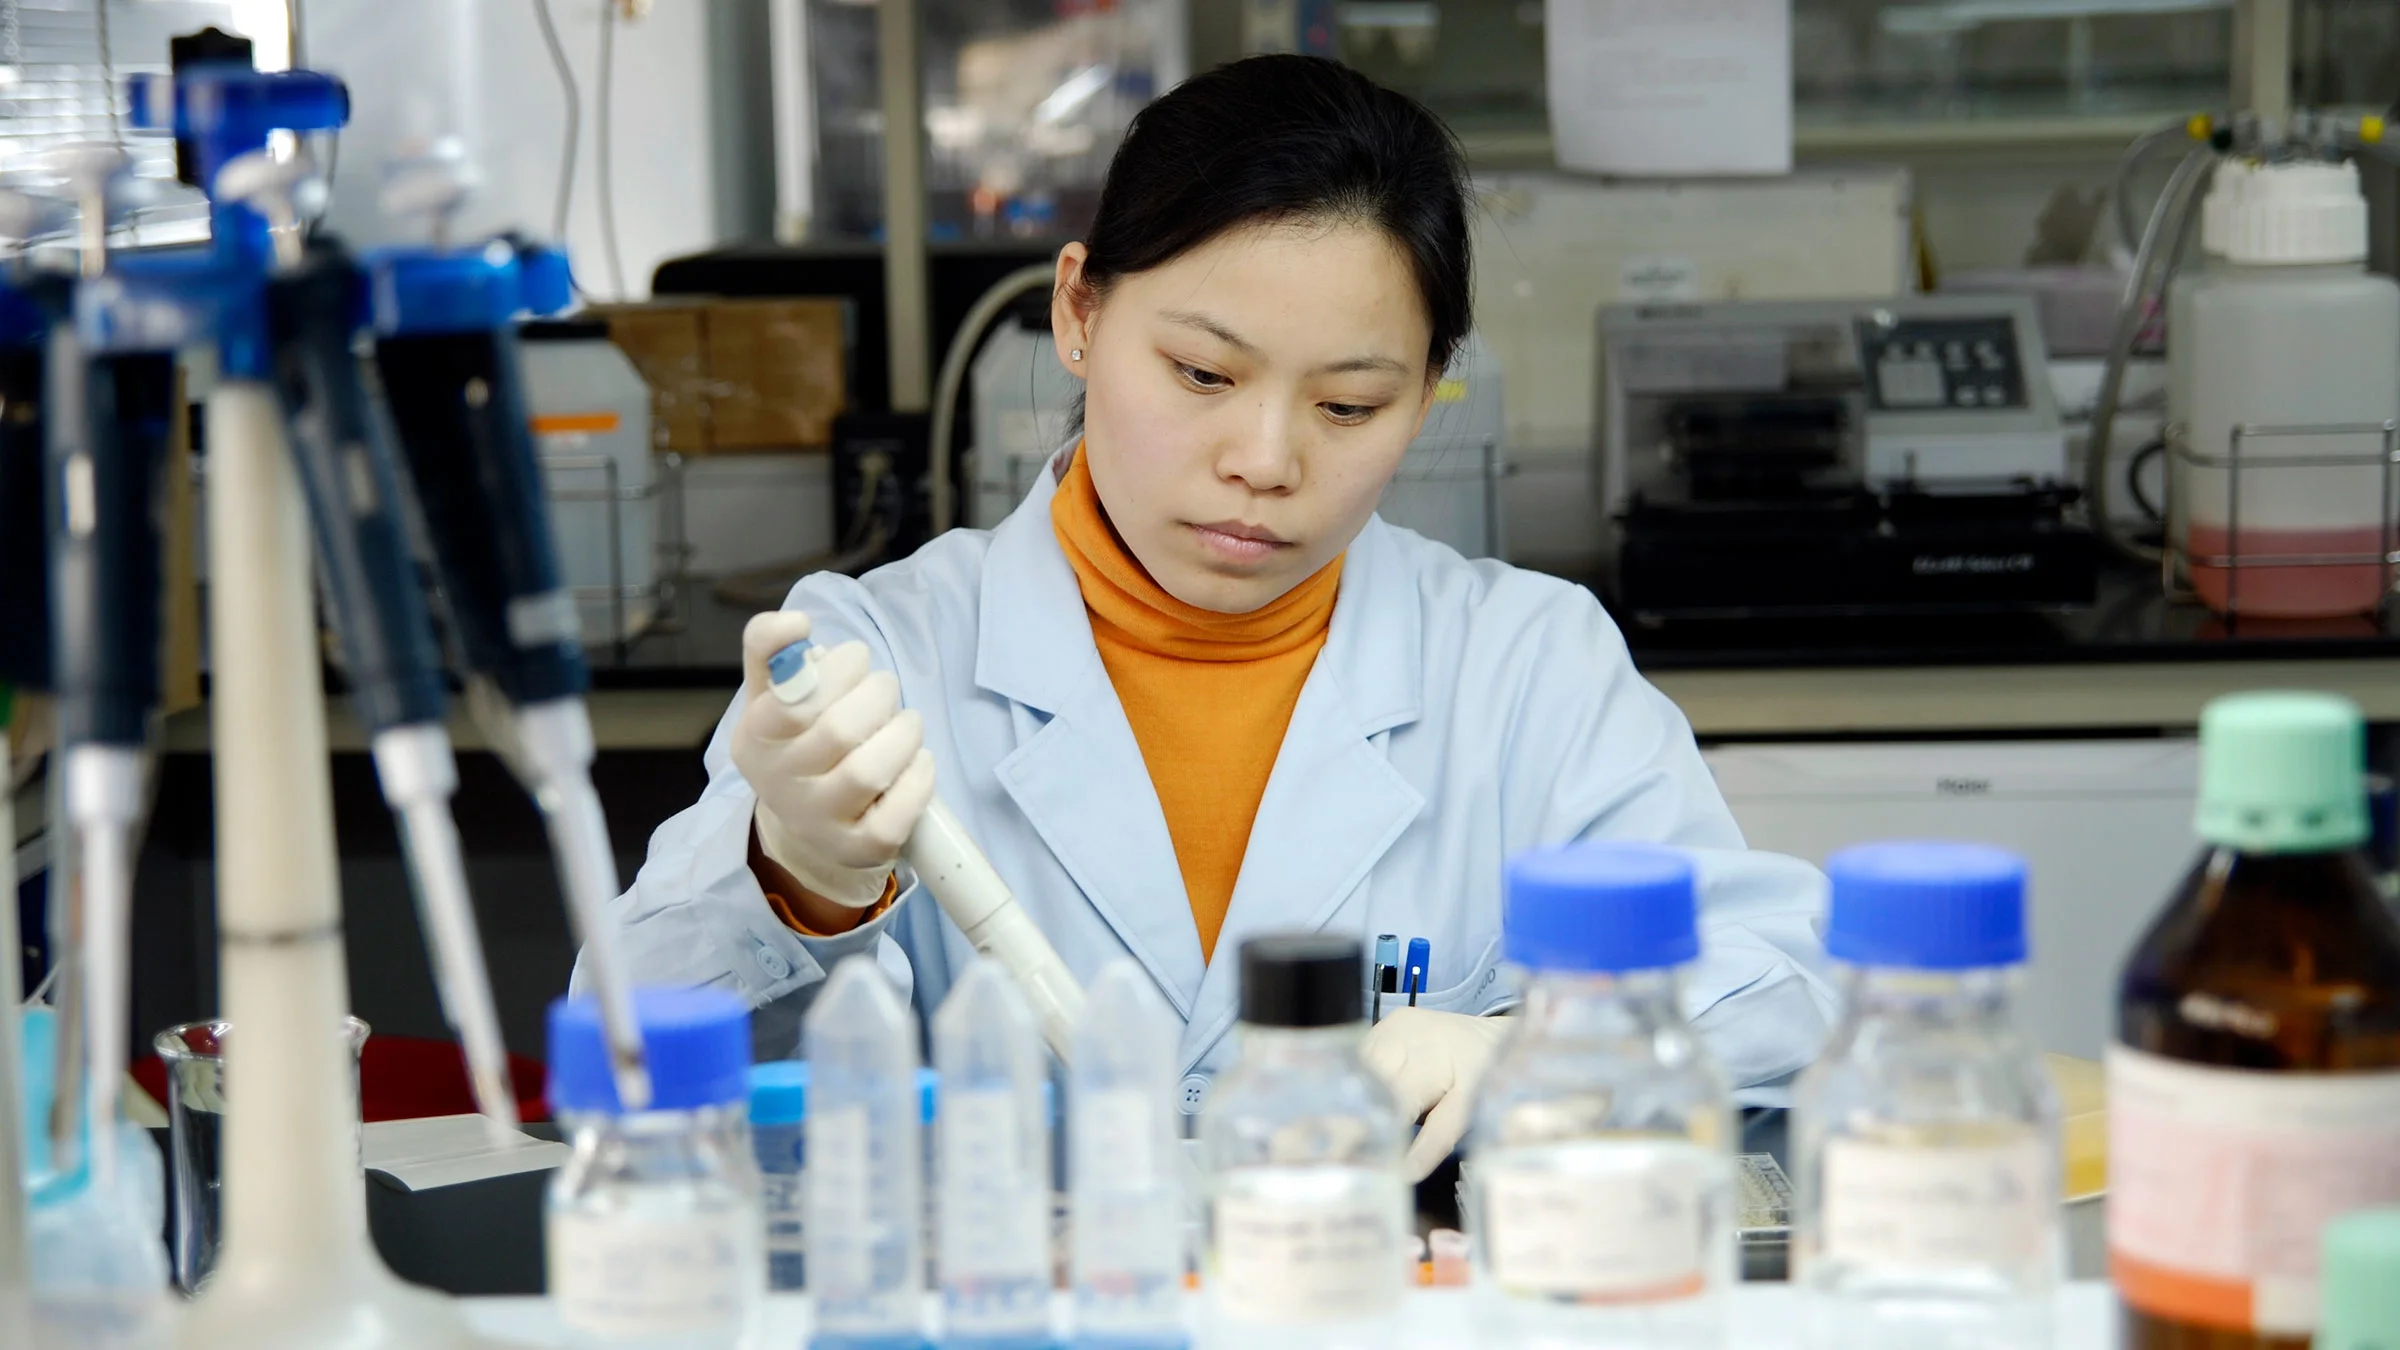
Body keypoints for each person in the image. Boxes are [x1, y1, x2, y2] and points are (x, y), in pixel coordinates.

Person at [582, 54, 1833, 1179]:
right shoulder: (878, 652)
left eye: (1350, 406)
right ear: (1080, 313)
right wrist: (796, 883)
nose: (1267, 459)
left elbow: (1789, 982)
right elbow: (626, 1046)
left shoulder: (1523, 666)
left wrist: (1544, 1053)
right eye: (1202, 375)